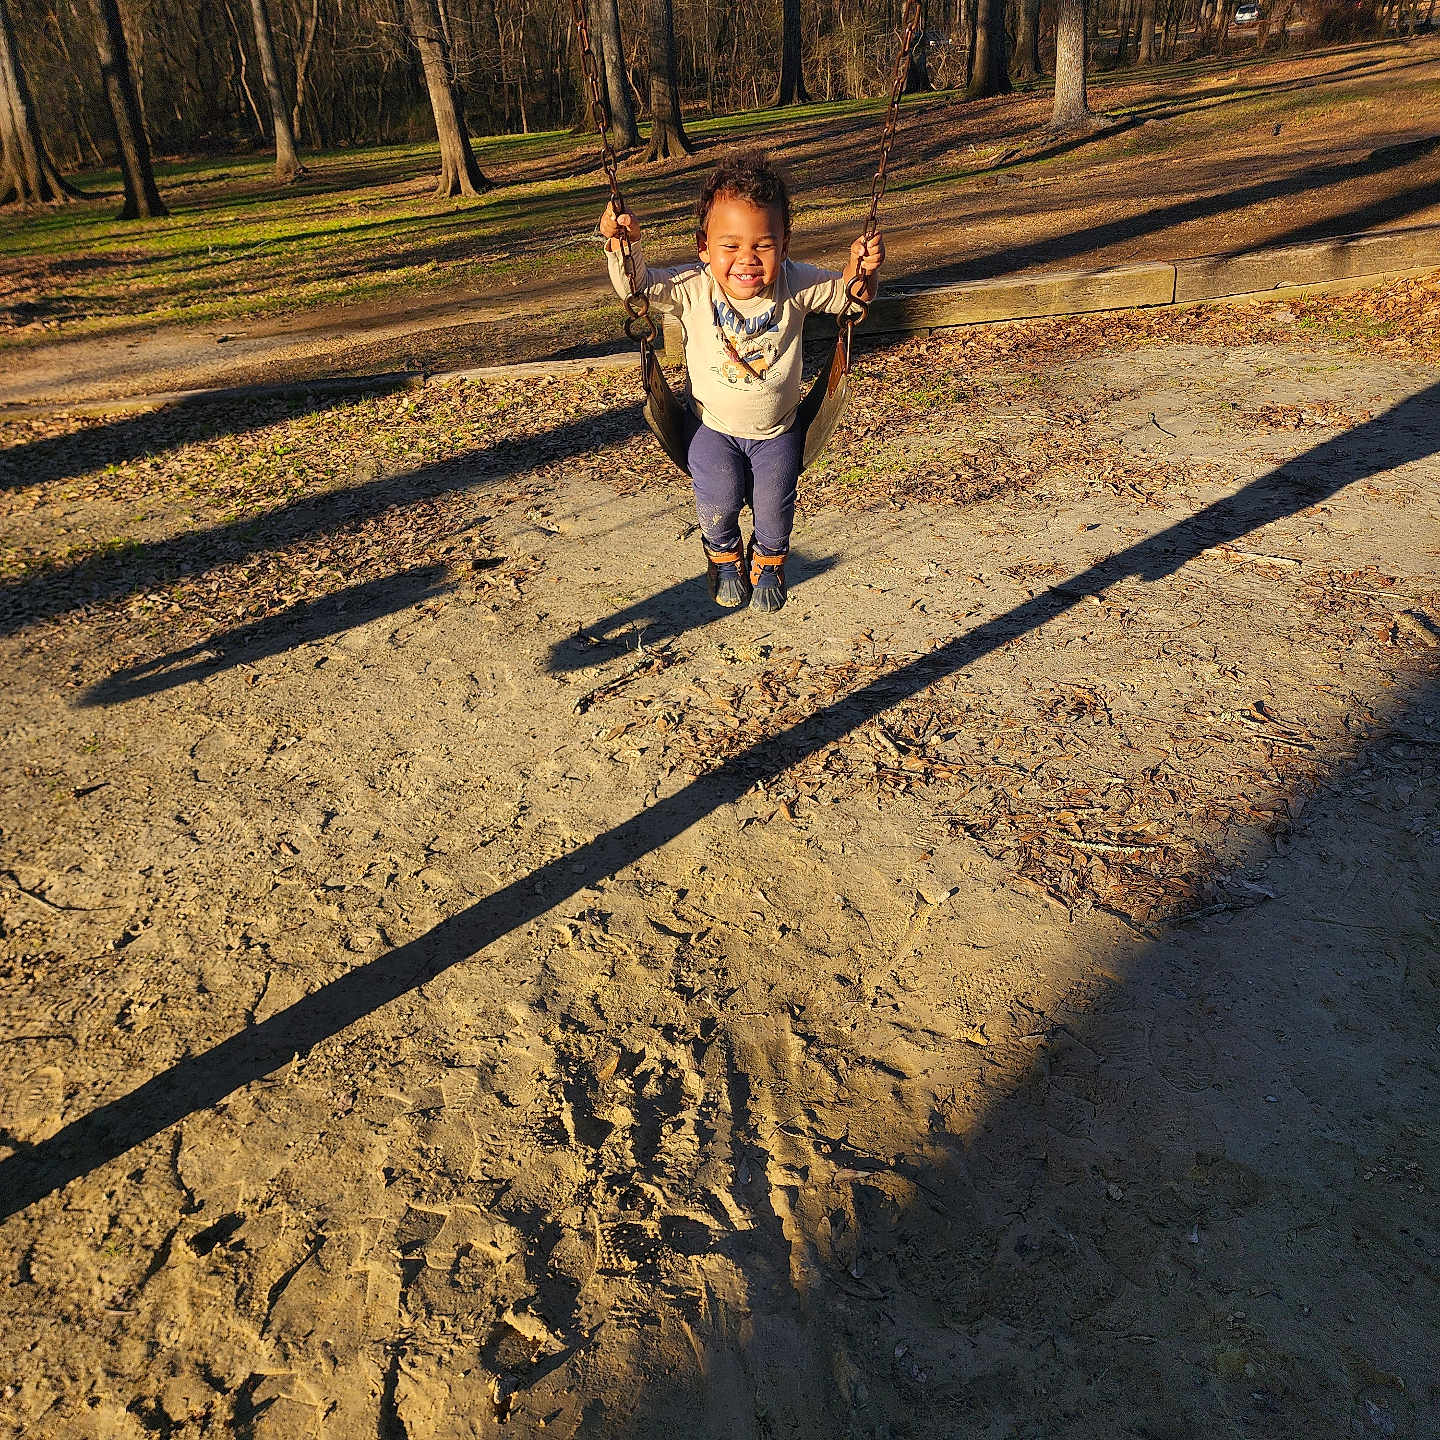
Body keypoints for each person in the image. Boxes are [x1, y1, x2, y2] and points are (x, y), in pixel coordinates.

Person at [599, 151, 885, 613]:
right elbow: (639, 288)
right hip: (710, 427)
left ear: (784, 245)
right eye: (729, 246)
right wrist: (621, 247)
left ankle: (769, 561)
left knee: (776, 508)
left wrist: (863, 270)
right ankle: (724, 554)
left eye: (763, 245)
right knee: (719, 496)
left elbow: (849, 299)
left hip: (778, 431)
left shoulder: (795, 283)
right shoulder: (694, 287)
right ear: (704, 246)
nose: (746, 259)